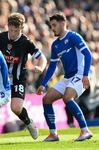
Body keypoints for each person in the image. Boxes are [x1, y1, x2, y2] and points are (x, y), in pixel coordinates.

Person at [0, 12, 47, 140]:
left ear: (22, 29)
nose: (13, 34)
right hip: (1, 79)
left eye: (16, 31)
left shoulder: (26, 42)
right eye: (11, 30)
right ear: (7, 26)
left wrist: (41, 67)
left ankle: (29, 123)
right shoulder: (0, 36)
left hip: (18, 79)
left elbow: (42, 57)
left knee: (16, 108)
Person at [36, 12, 93, 142]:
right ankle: (53, 134)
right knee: (46, 99)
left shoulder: (73, 37)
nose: (52, 28)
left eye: (54, 25)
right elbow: (52, 66)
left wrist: (85, 75)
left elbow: (88, 55)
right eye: (51, 26)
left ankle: (85, 130)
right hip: (68, 77)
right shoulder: (55, 44)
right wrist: (43, 84)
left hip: (79, 74)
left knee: (67, 98)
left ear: (63, 24)